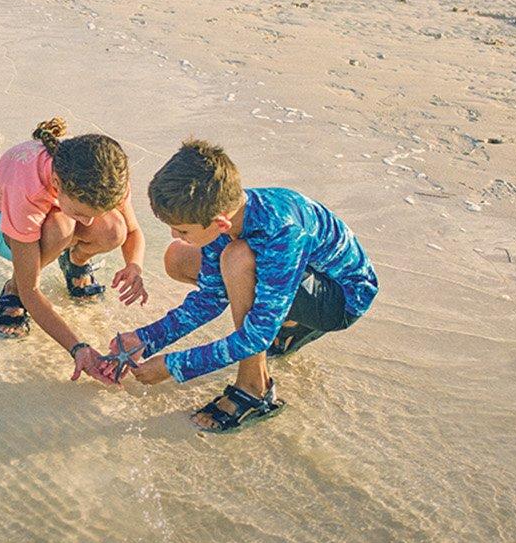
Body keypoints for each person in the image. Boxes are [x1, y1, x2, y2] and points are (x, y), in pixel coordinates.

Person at [106, 139, 378, 430]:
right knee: (179, 256)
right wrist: (147, 338)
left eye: (183, 229)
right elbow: (211, 298)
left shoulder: (282, 232)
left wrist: (174, 366)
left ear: (220, 223)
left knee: (237, 259)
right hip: (298, 279)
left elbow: (255, 338)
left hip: (341, 301)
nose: (175, 233)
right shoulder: (227, 214)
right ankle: (287, 328)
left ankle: (254, 389)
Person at [0, 118, 147, 383]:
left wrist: (134, 265)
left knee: (114, 229)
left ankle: (75, 261)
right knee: (62, 227)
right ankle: (12, 289)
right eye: (82, 213)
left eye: (93, 215)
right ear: (56, 181)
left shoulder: (107, 175)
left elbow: (133, 231)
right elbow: (33, 291)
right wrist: (78, 347)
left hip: (52, 212)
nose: (87, 224)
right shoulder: (26, 186)